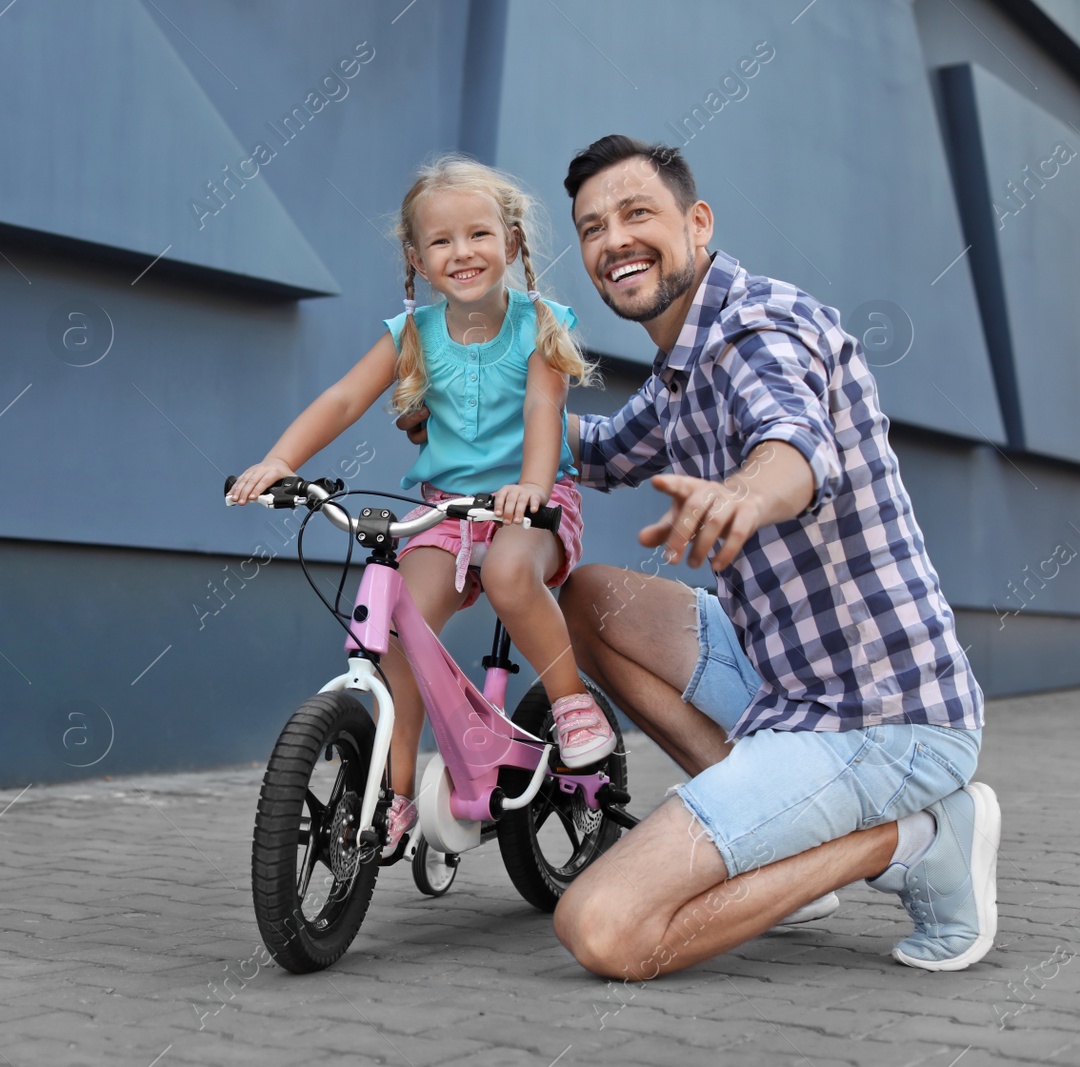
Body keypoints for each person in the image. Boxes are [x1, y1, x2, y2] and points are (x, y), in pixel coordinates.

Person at [402, 134, 994, 976]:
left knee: (605, 929)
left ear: (698, 221)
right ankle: (775, 841)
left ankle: (911, 839)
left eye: (637, 213)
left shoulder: (757, 331)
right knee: (589, 598)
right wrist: (479, 414)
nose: (614, 241)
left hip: (883, 718)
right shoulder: (680, 367)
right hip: (786, 677)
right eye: (594, 227)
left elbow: (794, 440)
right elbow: (601, 450)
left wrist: (746, 493)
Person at [229, 155, 617, 855]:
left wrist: (530, 484)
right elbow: (344, 398)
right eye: (441, 242)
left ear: (513, 244)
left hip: (536, 504)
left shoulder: (541, 324)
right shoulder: (411, 334)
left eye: (478, 235)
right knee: (400, 634)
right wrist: (281, 461)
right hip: (446, 510)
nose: (461, 252)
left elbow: (541, 407)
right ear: (417, 257)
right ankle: (394, 792)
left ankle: (571, 703)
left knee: (506, 573)